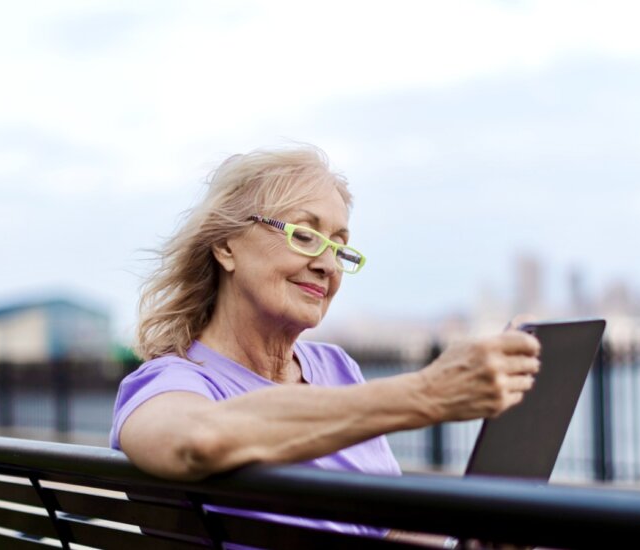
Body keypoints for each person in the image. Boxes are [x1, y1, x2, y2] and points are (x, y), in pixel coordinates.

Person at [110, 144, 541, 546]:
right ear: (225, 245)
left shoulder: (335, 367)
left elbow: (388, 531)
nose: (329, 265)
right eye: (305, 235)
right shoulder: (169, 383)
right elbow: (197, 438)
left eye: (340, 247)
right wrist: (430, 392)